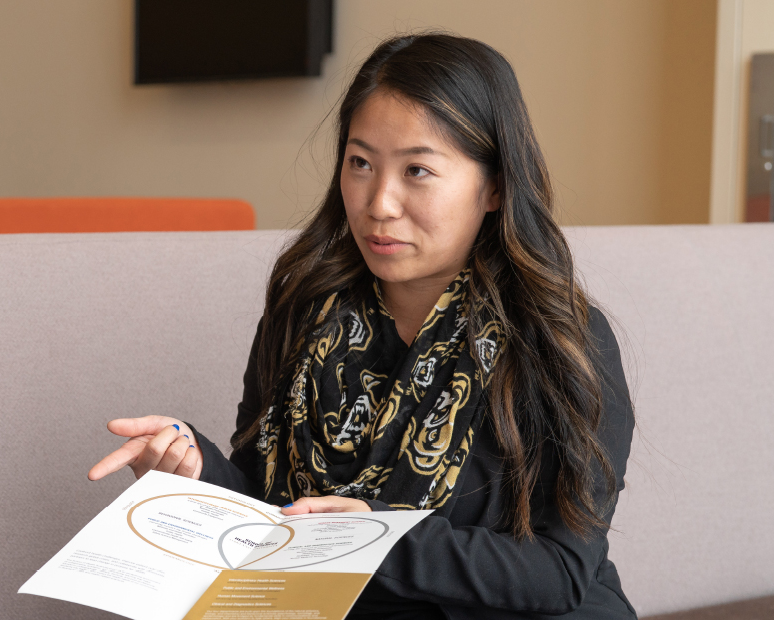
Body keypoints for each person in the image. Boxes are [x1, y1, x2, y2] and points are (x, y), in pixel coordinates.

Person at [89, 34, 635, 620]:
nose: (379, 203)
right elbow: (273, 515)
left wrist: (379, 537)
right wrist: (195, 470)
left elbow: (558, 574)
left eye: (418, 170)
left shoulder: (557, 339)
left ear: (495, 186)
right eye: (361, 163)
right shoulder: (303, 311)